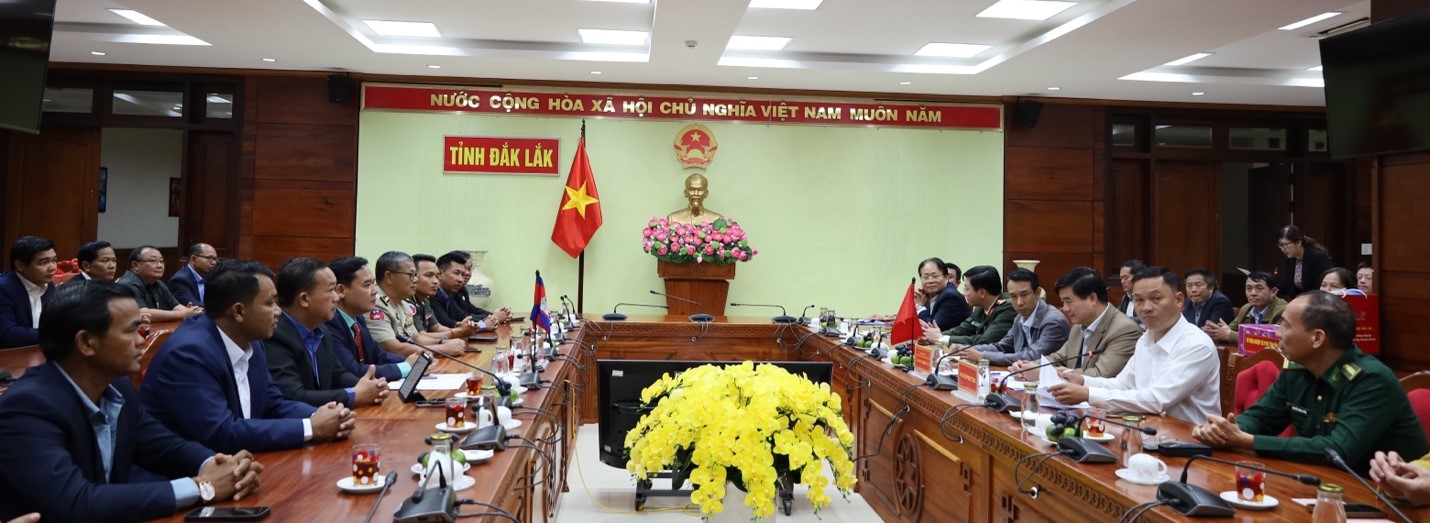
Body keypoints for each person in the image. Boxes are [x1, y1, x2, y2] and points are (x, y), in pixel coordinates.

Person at [0, 281, 263, 522]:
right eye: (131, 330)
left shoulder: (117, 385)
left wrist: (221, 467)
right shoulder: (27, 406)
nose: (143, 339)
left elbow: (162, 446)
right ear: (86, 342)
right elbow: (75, 503)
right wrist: (201, 487)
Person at [1192, 292, 1428, 474]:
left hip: (1385, 497)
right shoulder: (1296, 369)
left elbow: (1337, 450)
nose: (1276, 333)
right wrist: (1224, 430)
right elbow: (1261, 417)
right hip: (1319, 483)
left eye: (1285, 325)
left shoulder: (1371, 380)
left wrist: (1249, 441)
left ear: (1317, 338)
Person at [141, 260, 355, 453]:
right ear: (239, 312)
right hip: (194, 474)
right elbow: (221, 432)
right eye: (270, 303)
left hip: (243, 462)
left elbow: (273, 402)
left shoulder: (252, 342)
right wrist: (311, 427)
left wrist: (322, 415)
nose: (278, 311)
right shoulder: (190, 353)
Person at [1049, 267, 1221, 424]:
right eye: (1138, 300)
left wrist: (1088, 394)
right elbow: (1123, 384)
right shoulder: (1146, 339)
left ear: (1178, 300)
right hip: (1149, 430)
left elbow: (1157, 400)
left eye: (1156, 298)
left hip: (1191, 442)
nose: (1146, 307)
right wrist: (1082, 380)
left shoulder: (1196, 345)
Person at [262, 258, 389, 408]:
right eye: (330, 290)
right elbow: (293, 396)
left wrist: (371, 386)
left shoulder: (321, 330)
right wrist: (354, 394)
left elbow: (338, 375)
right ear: (304, 299)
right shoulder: (275, 335)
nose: (336, 298)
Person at [1014, 267, 1139, 379]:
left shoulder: (1124, 330)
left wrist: (1044, 373)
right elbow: (1058, 358)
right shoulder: (1078, 326)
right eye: (1063, 302)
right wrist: (1028, 366)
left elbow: (1100, 375)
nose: (1065, 308)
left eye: (1069, 301)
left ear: (1092, 298)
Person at [323, 257, 416, 382]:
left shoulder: (358, 317)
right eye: (367, 285)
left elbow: (377, 355)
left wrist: (413, 362)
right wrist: (406, 367)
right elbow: (352, 370)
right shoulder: (329, 322)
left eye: (373, 283)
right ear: (341, 290)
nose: (375, 292)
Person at [367, 251, 466, 357]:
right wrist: (442, 349)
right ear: (389, 277)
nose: (415, 280)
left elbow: (416, 338)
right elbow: (392, 348)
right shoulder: (374, 304)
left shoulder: (403, 303)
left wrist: (443, 342)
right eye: (411, 275)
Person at [962, 268, 1068, 366]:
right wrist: (965, 349)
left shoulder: (1053, 321)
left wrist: (983, 356)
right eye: (1013, 296)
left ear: (1037, 292)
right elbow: (1002, 346)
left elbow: (1033, 356)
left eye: (1024, 295)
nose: (1019, 302)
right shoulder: (1019, 318)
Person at [923, 265, 1014, 346]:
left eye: (967, 289)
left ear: (982, 293)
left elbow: (985, 340)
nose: (964, 293)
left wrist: (941, 338)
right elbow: (963, 329)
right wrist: (933, 336)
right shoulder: (980, 306)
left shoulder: (1008, 308)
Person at [117, 246, 202, 323]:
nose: (159, 265)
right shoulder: (127, 285)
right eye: (153, 261)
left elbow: (175, 306)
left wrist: (192, 311)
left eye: (161, 261)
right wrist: (181, 314)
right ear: (135, 265)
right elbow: (143, 313)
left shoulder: (158, 284)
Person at [0, 236, 56, 348]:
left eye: (54, 260)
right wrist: (55, 334)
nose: (52, 268)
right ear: (20, 265)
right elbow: (6, 334)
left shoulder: (48, 285)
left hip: (39, 350)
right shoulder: (4, 289)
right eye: (44, 262)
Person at [431, 251, 509, 328]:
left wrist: (494, 316)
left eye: (463, 274)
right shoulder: (433, 295)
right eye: (456, 273)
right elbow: (450, 325)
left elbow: (465, 315)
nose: (461, 279)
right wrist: (486, 323)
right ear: (440, 274)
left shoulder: (449, 293)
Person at [409, 254, 477, 341]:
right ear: (413, 277)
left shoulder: (425, 300)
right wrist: (457, 332)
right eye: (429, 275)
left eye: (437, 277)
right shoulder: (408, 302)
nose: (435, 281)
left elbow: (436, 327)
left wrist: (461, 330)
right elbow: (420, 336)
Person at [1204, 271, 1286, 343]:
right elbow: (1229, 330)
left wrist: (1231, 335)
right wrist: (1215, 331)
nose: (1253, 293)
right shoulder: (1246, 308)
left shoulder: (1284, 311)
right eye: (1249, 288)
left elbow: (1275, 339)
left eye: (1259, 288)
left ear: (1273, 292)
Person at [1275, 225, 1334, 300]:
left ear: (1298, 242)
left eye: (1285, 245)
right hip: (1300, 303)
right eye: (1280, 245)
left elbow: (1321, 287)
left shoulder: (1317, 258)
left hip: (1318, 302)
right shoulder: (1290, 261)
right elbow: (1288, 287)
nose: (1283, 249)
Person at [914, 258, 970, 332]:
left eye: (935, 276)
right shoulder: (929, 294)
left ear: (946, 277)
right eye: (926, 277)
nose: (930, 281)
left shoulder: (950, 296)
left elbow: (932, 328)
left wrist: (919, 306)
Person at [1115, 259, 1147, 323]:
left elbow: (1143, 318)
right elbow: (1115, 315)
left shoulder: (1147, 298)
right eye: (1121, 278)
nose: (1122, 281)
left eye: (1125, 278)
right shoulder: (1126, 297)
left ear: (1138, 277)